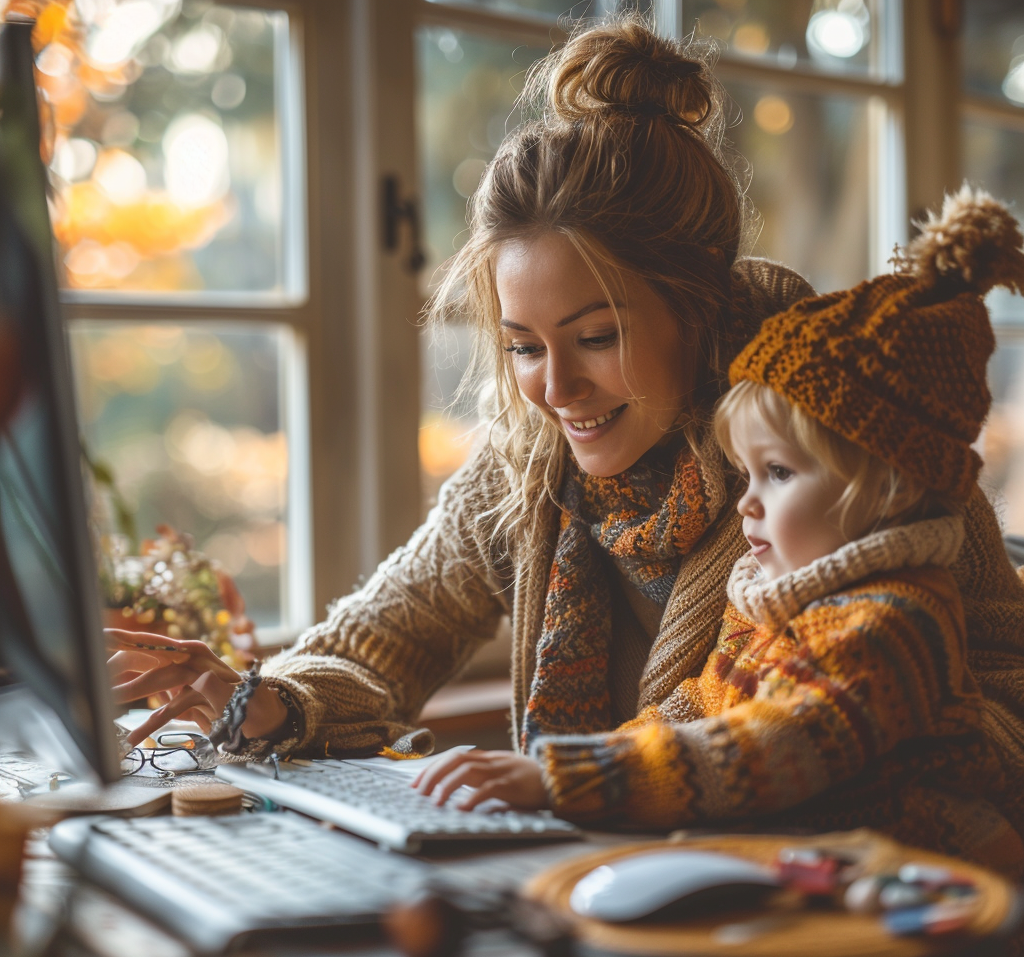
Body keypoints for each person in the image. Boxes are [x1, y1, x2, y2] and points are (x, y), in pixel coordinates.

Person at [105, 17, 1024, 864]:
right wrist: (274, 701)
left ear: (698, 310)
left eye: (596, 338)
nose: (555, 388)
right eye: (521, 347)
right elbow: (377, 643)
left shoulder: (850, 447)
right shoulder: (524, 468)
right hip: (639, 878)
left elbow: (998, 705)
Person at [417, 186, 1024, 877]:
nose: (747, 502)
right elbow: (701, 707)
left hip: (897, 910)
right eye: (521, 345)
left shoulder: (891, 623)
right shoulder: (776, 598)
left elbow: (767, 746)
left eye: (780, 475)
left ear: (889, 489)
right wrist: (568, 766)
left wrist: (572, 779)